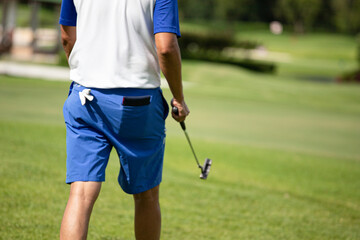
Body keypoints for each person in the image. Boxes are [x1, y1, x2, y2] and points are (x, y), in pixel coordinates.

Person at [58, 0, 189, 239]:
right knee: (146, 196)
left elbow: (67, 36)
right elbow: (166, 47)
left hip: (86, 96)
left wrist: (86, 72)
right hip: (138, 103)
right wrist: (178, 98)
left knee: (81, 194)